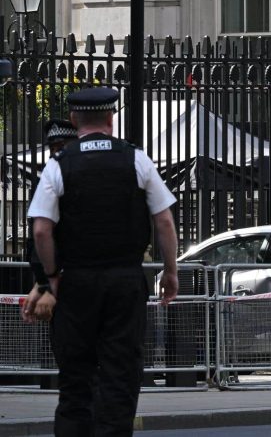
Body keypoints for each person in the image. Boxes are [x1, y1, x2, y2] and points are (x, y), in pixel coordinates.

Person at [27, 87, 179, 436]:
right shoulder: (136, 159)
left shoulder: (59, 165)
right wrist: (171, 271)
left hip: (76, 282)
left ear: (74, 119)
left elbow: (40, 231)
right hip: (125, 281)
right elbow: (165, 221)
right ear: (111, 118)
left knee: (75, 378)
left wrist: (50, 277)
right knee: (120, 375)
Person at [21, 118, 78, 324]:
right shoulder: (49, 177)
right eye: (53, 148)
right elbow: (38, 236)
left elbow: (44, 233)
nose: (56, 154)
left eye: (62, 147)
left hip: (75, 277)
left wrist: (46, 284)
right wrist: (42, 283)